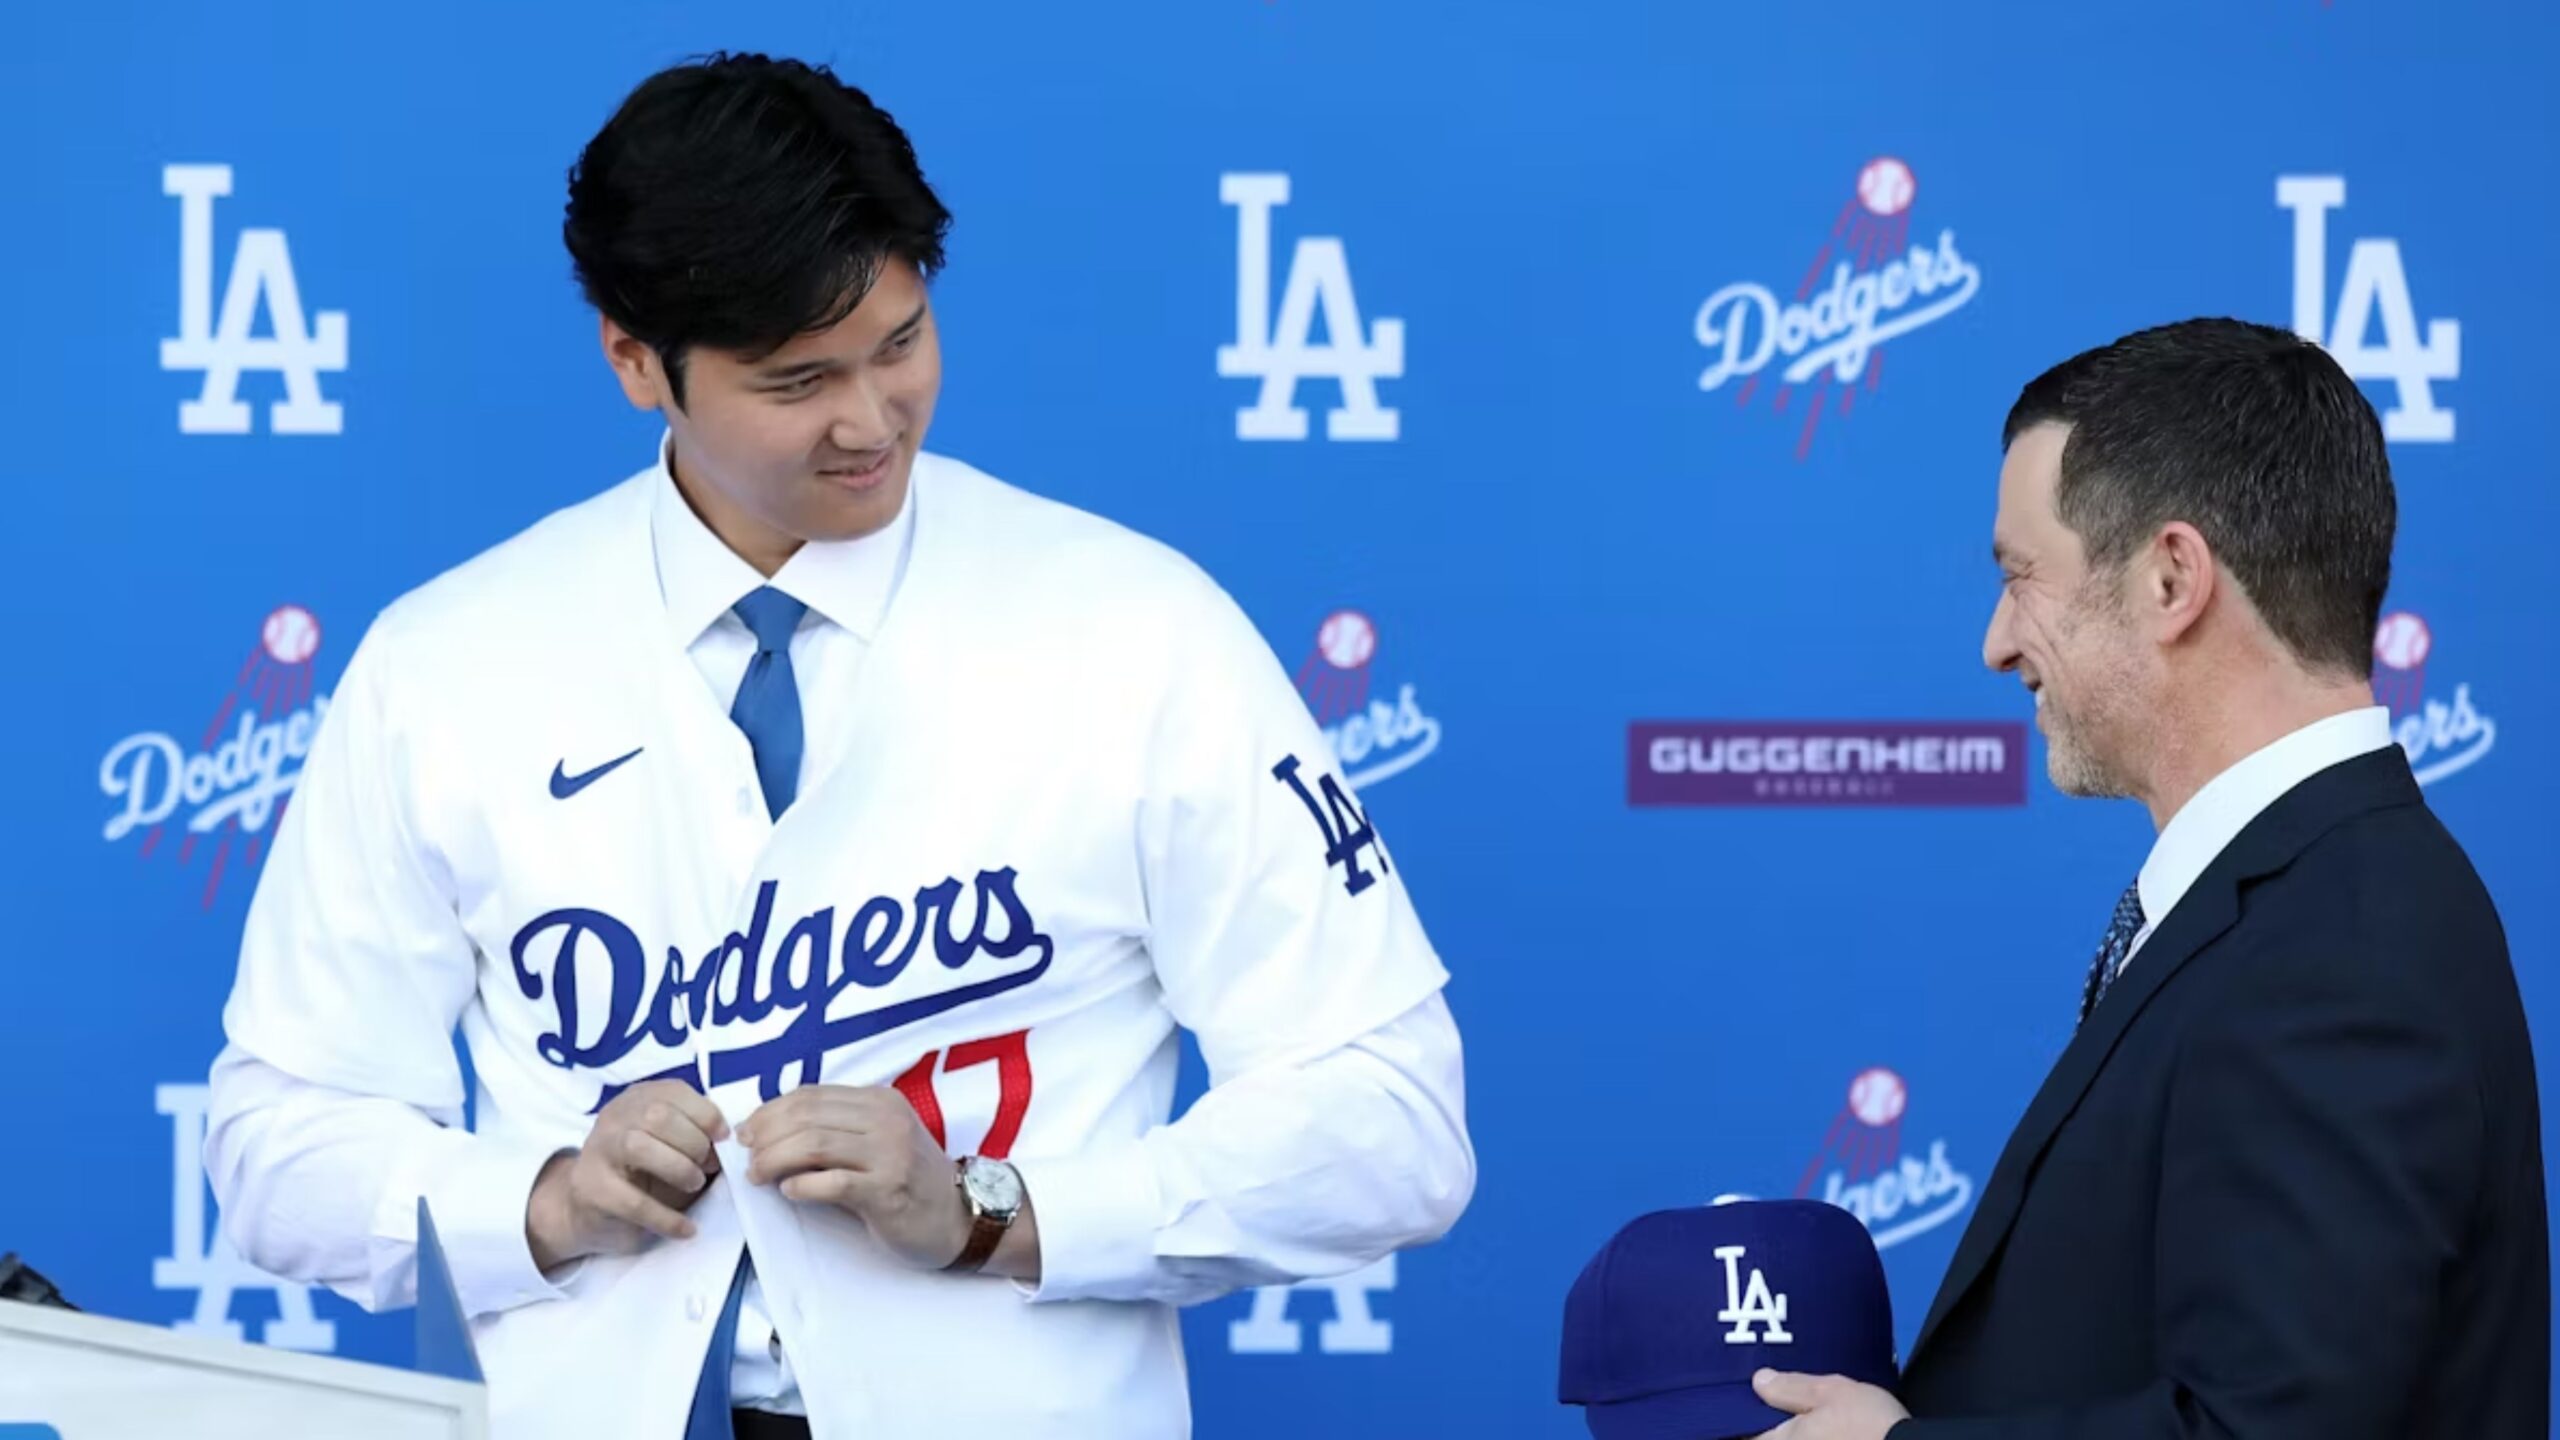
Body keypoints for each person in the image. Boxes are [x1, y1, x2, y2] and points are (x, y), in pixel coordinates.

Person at [203, 52, 1474, 1440]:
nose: (872, 422)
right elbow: (280, 1146)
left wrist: (996, 1207)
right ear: (636, 360)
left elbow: (1389, 1123)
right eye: (798, 378)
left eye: (902, 343)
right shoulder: (445, 664)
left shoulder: (1136, 628)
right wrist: (545, 1199)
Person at [1751, 317, 2547, 1439]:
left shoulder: (2342, 947)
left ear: (2172, 578)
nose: (1993, 641)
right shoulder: (2308, 902)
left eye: (2021, 576)